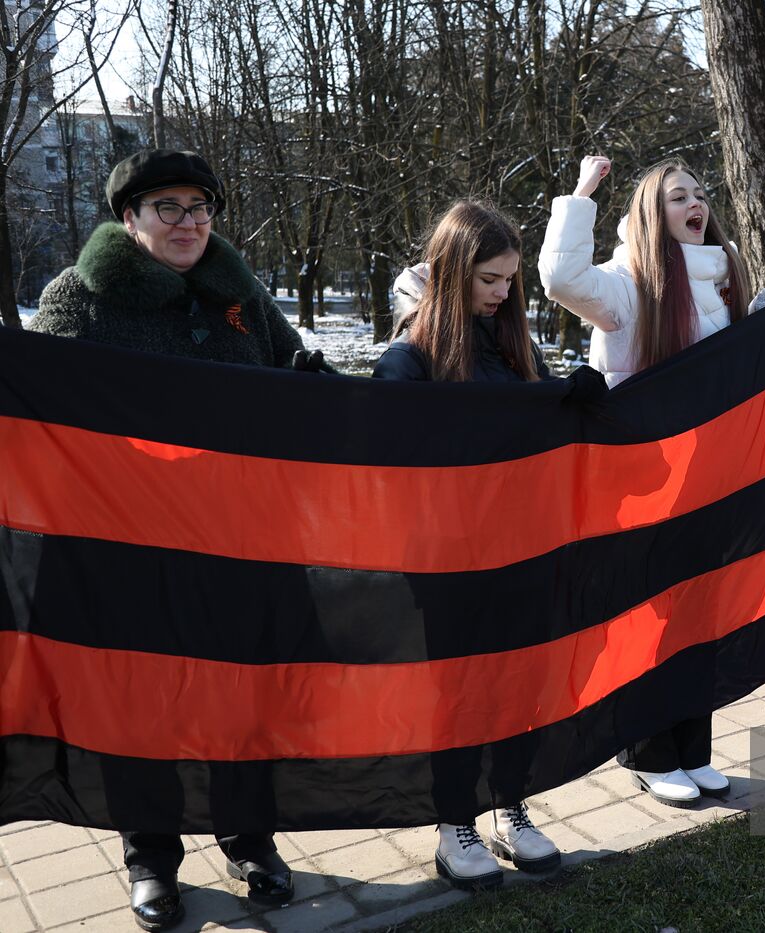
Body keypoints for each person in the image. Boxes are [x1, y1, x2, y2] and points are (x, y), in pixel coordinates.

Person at [30, 149, 310, 930]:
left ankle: (250, 837)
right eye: (169, 208)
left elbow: (287, 367)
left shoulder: (238, 294)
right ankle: (151, 856)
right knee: (141, 704)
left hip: (241, 541)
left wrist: (312, 383)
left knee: (242, 694)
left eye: (200, 207)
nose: (189, 222)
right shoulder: (81, 297)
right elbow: (41, 412)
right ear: (130, 218)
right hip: (131, 552)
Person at [539, 154, 765, 805]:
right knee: (654, 616)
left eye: (700, 194)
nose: (695, 203)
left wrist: (762, 327)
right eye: (679, 196)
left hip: (713, 483)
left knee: (701, 614)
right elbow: (559, 276)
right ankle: (647, 750)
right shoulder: (626, 286)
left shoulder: (726, 281)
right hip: (647, 486)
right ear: (653, 212)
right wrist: (584, 191)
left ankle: (691, 750)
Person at [374, 200, 564, 889]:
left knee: (518, 685)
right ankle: (455, 822)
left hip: (524, 553)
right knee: (457, 694)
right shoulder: (410, 358)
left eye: (510, 279)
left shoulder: (517, 350)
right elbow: (385, 461)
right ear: (450, 272)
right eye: (490, 278)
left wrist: (576, 401)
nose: (502, 293)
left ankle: (511, 806)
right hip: (448, 565)